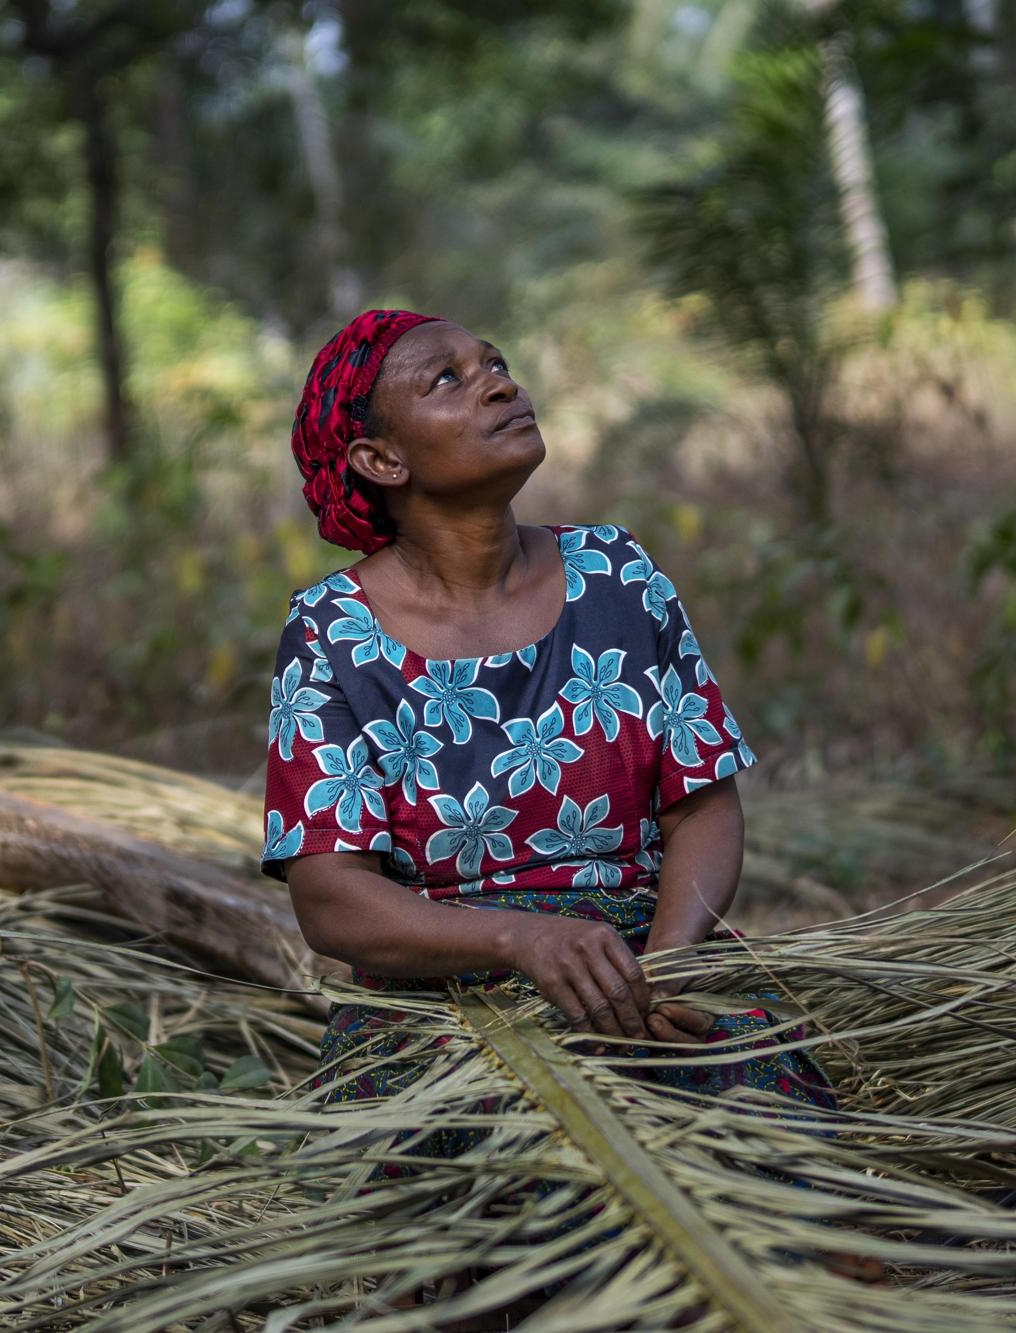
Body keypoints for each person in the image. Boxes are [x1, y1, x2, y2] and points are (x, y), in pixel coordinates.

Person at [260, 307, 835, 1132]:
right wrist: (520, 941)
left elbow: (703, 804)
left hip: (645, 960)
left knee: (763, 1128)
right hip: (441, 1000)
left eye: (494, 363)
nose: (500, 382)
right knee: (514, 1170)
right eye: (448, 379)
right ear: (380, 459)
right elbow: (331, 898)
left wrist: (667, 969)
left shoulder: (617, 576)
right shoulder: (331, 633)